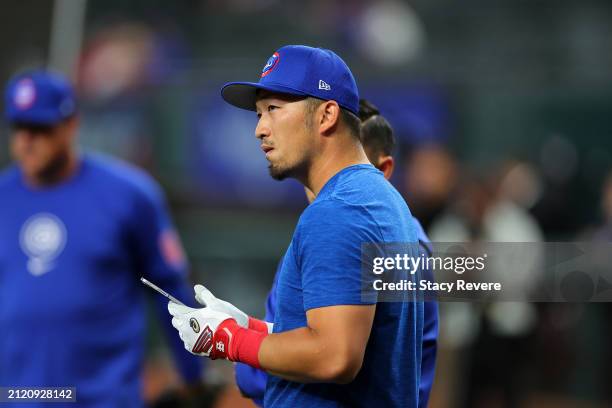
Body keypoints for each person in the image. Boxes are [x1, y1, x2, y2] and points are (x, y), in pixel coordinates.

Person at [168, 45, 424, 407]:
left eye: (273, 109)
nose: (259, 129)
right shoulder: (379, 197)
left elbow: (335, 356)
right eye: (258, 113)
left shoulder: (338, 211)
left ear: (326, 115)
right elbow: (357, 332)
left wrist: (230, 340)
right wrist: (252, 329)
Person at [0, 70, 203, 407]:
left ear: (71, 124)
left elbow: (170, 291)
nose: (27, 140)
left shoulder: (128, 195)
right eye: (19, 128)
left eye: (40, 128)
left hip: (103, 397)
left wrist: (193, 378)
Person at [233, 98, 438, 407]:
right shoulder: (409, 239)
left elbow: (323, 359)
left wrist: (234, 341)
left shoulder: (339, 225)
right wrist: (254, 330)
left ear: (382, 169)